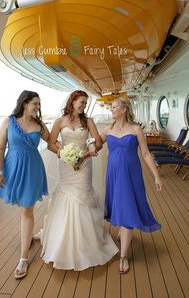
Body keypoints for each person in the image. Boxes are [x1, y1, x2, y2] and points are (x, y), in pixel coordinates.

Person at [34, 90, 119, 270]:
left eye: (86, 103)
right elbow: (50, 143)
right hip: (65, 166)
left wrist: (85, 154)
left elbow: (98, 142)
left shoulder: (88, 122)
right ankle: (61, 242)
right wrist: (63, 154)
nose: (83, 105)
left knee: (82, 199)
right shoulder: (59, 121)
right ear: (72, 101)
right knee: (64, 199)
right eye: (81, 102)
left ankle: (86, 244)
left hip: (84, 165)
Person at [0, 90, 49, 279]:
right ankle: (28, 237)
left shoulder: (39, 125)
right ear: (25, 104)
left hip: (32, 169)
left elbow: (53, 143)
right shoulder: (8, 122)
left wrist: (68, 153)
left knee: (26, 210)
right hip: (13, 168)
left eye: (39, 104)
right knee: (22, 209)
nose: (38, 107)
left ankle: (23, 258)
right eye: (35, 104)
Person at [101, 98, 163, 274]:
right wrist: (78, 155)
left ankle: (124, 256)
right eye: (111, 107)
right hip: (113, 174)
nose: (111, 110)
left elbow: (145, 153)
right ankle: (123, 229)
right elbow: (95, 145)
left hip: (131, 175)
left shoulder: (136, 129)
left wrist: (156, 176)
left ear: (124, 110)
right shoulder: (108, 130)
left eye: (114, 107)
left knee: (127, 207)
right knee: (119, 205)